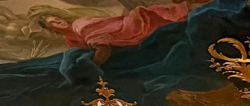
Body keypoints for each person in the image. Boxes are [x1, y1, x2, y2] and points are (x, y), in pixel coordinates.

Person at [40, 3, 195, 66]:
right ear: (52, 30)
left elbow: (103, 48)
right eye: (53, 22)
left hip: (128, 28)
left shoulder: (80, 25)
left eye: (57, 18)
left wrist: (92, 65)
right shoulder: (69, 40)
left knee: (159, 18)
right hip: (119, 40)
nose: (58, 21)